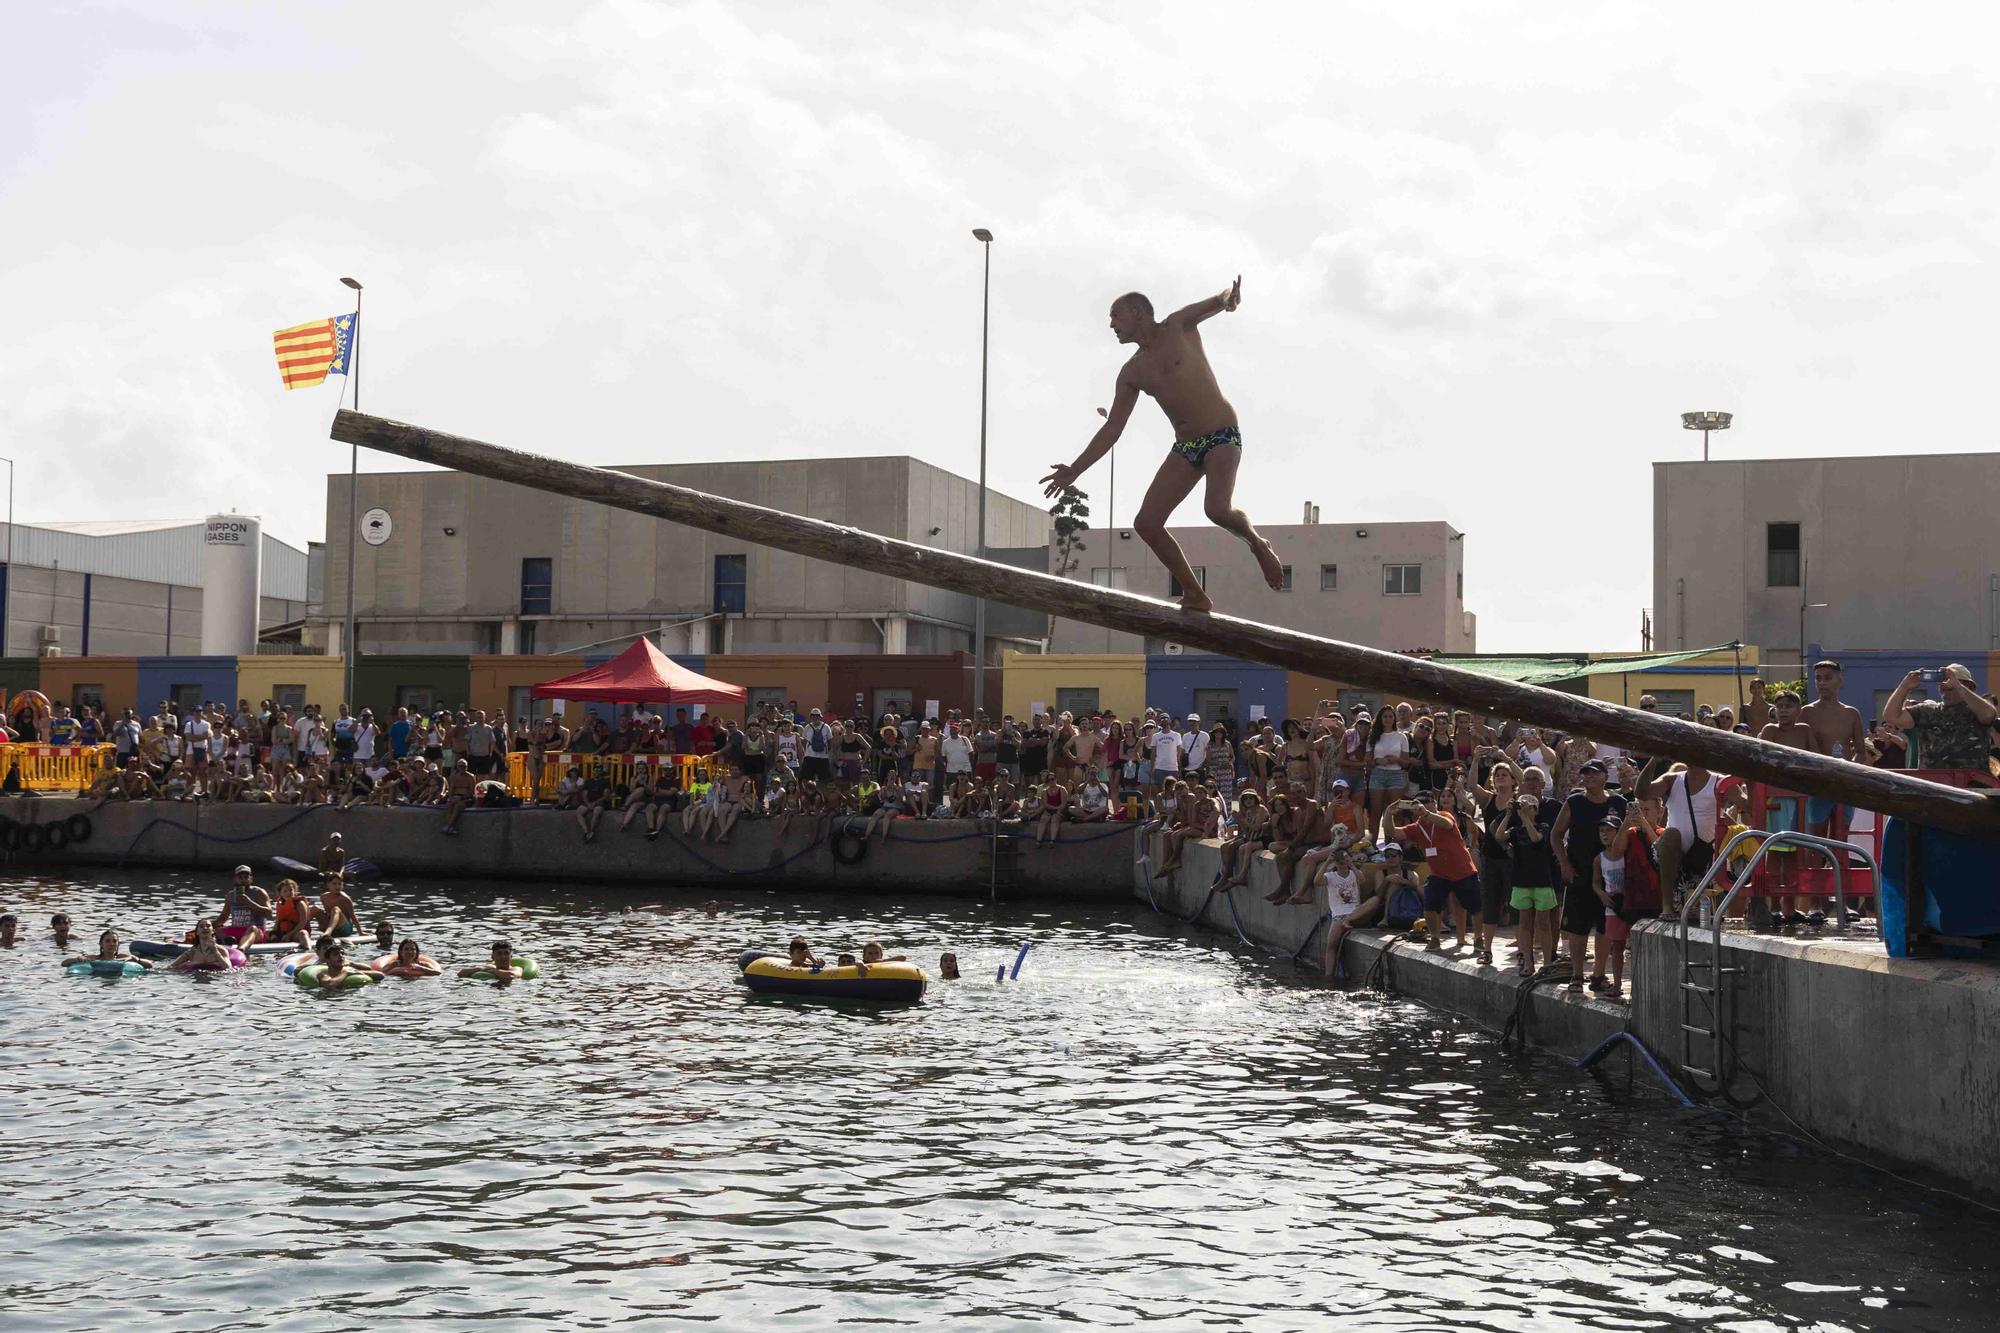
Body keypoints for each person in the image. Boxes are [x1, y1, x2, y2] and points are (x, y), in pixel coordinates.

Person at [1039, 277, 1283, 611]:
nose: (1111, 325)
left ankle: (1256, 542)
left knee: (1216, 509)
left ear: (1138, 313)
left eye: (1116, 316)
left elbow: (1216, 300)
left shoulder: (1178, 326)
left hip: (1222, 434)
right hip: (1186, 447)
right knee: (1147, 523)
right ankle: (1195, 593)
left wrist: (1229, 298)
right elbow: (1113, 427)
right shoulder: (1131, 372)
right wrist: (1076, 469)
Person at [1550, 761, 1626, 993]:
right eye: (1585, 774)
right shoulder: (1575, 802)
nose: (1588, 778)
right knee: (1577, 926)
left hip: (1610, 874)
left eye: (1593, 774)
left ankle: (1599, 974)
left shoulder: (1618, 802)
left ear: (1605, 776)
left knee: (1605, 927)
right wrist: (1564, 864)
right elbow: (1556, 834)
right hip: (1579, 871)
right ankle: (1576, 974)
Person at [1394, 788, 1481, 956]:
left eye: (1424, 802)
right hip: (1439, 873)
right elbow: (1394, 833)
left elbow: (1448, 824)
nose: (1420, 806)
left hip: (1463, 870)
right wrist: (1389, 814)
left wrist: (1426, 813)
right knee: (1430, 906)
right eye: (1416, 803)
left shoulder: (1445, 815)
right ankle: (1435, 938)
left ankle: (1478, 938)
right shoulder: (1417, 827)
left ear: (1433, 804)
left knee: (1474, 907)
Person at [1882, 664, 1997, 770]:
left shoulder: (1977, 710)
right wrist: (1904, 687)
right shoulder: (1928, 711)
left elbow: (1989, 714)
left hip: (1970, 784)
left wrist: (1958, 686)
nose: (1946, 691)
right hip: (1934, 785)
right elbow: (1892, 717)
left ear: (1969, 687)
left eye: (1951, 687)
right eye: (1943, 686)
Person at [213, 865, 273, 948]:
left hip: (255, 932)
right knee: (218, 930)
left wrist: (248, 902)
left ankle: (241, 949)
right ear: (235, 879)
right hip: (237, 930)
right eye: (240, 877)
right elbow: (223, 917)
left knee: (252, 929)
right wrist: (207, 926)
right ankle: (225, 942)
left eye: (246, 877)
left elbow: (269, 914)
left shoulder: (259, 893)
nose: (243, 880)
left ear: (251, 879)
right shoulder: (230, 895)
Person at [64, 928, 150, 970]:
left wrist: (136, 959)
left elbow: (150, 965)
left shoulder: (123, 957)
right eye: (108, 941)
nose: (111, 944)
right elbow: (64, 963)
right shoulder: (94, 958)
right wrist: (78, 959)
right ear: (101, 944)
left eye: (114, 941)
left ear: (118, 944)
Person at [171, 918, 237, 972]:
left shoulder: (221, 950)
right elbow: (171, 967)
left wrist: (215, 951)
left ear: (213, 931)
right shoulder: (192, 952)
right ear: (197, 932)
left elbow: (228, 969)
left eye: (208, 926)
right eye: (201, 926)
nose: (205, 928)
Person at [268, 879, 315, 946]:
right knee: (266, 933)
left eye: (290, 890)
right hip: (283, 933)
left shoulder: (300, 904)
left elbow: (303, 923)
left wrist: (289, 935)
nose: (288, 893)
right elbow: (278, 921)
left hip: (296, 933)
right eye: (285, 891)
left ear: (295, 891)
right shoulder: (280, 905)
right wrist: (273, 934)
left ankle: (308, 949)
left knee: (303, 933)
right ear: (280, 893)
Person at [459, 939, 527, 980]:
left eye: (506, 953)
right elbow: (461, 973)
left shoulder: (516, 969)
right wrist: (479, 969)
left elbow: (512, 976)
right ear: (492, 956)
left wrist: (494, 971)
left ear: (511, 956)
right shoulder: (489, 967)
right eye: (499, 953)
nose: (503, 957)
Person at [376, 938, 443, 978]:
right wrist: (395, 972)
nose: (409, 952)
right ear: (401, 952)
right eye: (406, 949)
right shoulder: (394, 964)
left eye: (412, 949)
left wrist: (420, 968)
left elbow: (438, 973)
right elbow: (381, 973)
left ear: (416, 952)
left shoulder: (424, 965)